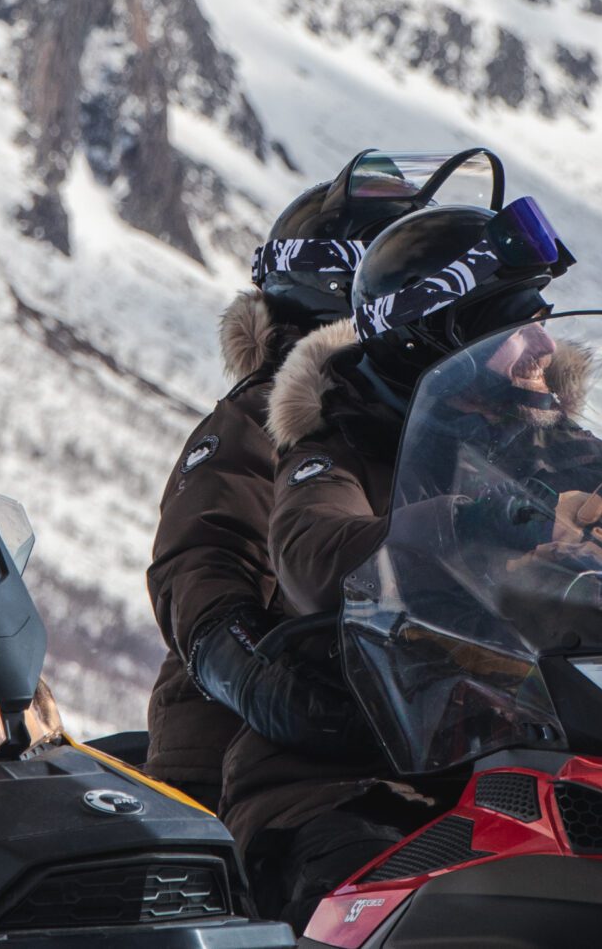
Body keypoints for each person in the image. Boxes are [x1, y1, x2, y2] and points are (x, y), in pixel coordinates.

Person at [221, 196, 583, 927]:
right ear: (441, 338)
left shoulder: (539, 435)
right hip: (339, 778)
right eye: (517, 326)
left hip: (511, 764)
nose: (544, 345)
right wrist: (480, 520)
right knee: (400, 916)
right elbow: (314, 555)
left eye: (542, 320)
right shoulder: (337, 445)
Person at [142, 155, 439, 808]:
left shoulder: (415, 420)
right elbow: (203, 567)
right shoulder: (262, 417)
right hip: (231, 757)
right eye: (409, 280)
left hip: (394, 734)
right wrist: (265, 685)